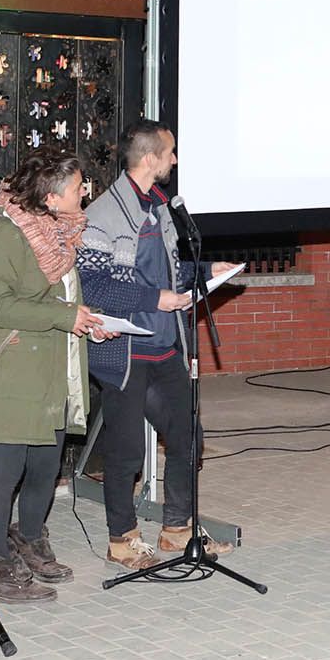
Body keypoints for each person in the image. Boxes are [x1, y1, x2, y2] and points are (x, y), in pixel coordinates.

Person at [78, 119, 239, 568]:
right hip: (126, 353)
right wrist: (155, 299)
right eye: (169, 152)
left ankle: (177, 530)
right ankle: (122, 540)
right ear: (150, 158)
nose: (175, 160)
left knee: (188, 435)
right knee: (126, 450)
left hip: (166, 346)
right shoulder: (103, 215)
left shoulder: (161, 207)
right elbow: (92, 286)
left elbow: (166, 273)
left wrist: (205, 271)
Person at [0, 148, 100, 602]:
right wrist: (65, 316)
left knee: (46, 467)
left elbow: (62, 300)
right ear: (50, 197)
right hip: (15, 369)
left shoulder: (61, 233)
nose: (85, 193)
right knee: (5, 472)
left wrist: (86, 319)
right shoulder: (4, 233)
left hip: (54, 368)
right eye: (78, 187)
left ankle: (29, 538)